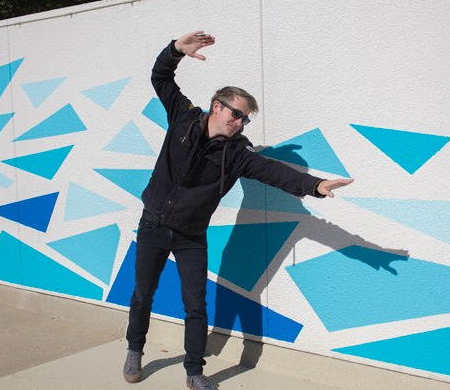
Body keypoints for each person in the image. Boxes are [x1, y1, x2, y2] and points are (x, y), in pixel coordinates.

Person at [123, 31, 354, 390]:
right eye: (237, 115)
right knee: (142, 294)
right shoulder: (183, 117)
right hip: (152, 224)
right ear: (217, 106)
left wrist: (314, 186)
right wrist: (175, 51)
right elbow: (160, 78)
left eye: (245, 120)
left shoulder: (237, 155)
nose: (240, 123)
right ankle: (135, 349)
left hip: (190, 236)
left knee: (195, 306)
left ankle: (194, 371)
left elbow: (273, 171)